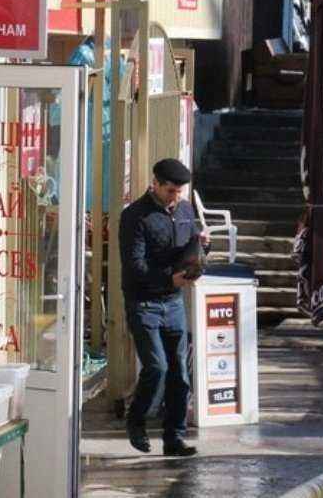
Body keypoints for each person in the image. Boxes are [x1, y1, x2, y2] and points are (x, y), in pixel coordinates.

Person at [119, 158, 207, 457]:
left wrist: (200, 247)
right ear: (154, 184)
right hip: (144, 302)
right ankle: (136, 419)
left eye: (180, 191)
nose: (176, 197)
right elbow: (134, 267)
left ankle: (174, 438)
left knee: (179, 373)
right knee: (156, 367)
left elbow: (186, 248)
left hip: (173, 303)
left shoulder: (183, 210)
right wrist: (170, 279)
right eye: (170, 191)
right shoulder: (135, 216)